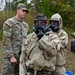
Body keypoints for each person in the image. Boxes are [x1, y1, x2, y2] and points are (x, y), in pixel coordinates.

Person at [2, 3, 29, 75]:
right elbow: (6, 40)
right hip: (10, 57)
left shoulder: (25, 26)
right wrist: (11, 56)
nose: (25, 13)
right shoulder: (9, 23)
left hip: (21, 58)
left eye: (26, 11)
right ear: (18, 10)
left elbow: (27, 41)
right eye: (23, 10)